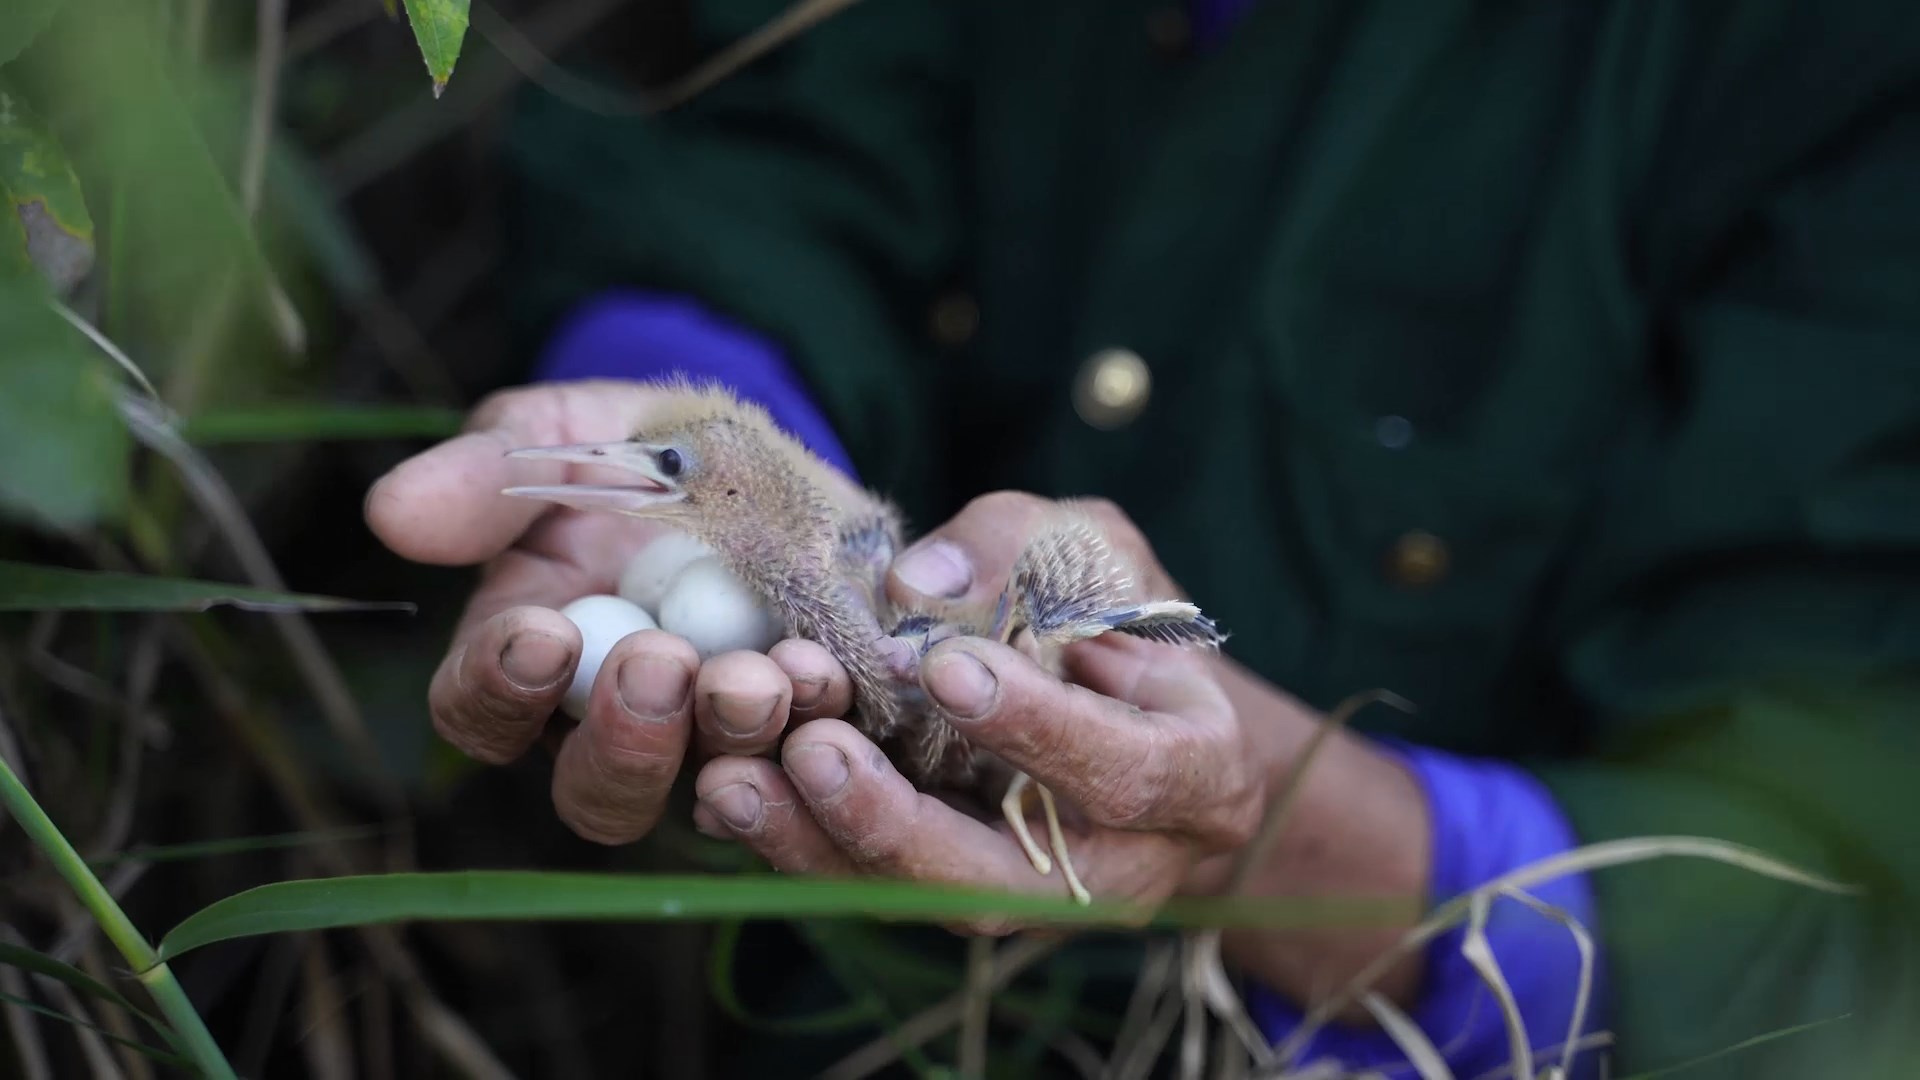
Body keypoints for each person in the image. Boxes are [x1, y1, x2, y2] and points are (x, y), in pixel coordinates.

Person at [363, 1, 1920, 1077]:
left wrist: (1262, 826)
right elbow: (788, 143)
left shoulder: (1840, 78)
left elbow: (1823, 916)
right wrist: (705, 414)